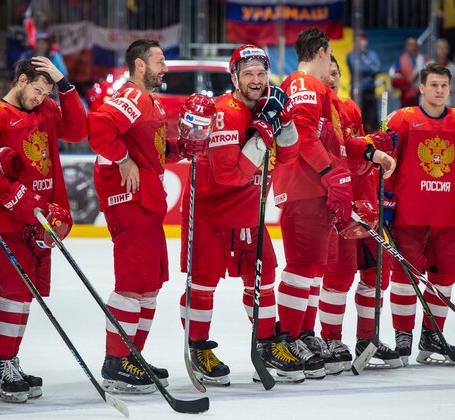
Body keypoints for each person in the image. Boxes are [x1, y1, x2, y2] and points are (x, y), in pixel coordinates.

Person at [0, 56, 87, 403]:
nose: (40, 97)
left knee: (25, 294)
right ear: (20, 79)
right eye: (37, 88)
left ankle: (10, 360)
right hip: (8, 219)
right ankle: (0, 368)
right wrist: (11, 193)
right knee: (12, 293)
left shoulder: (47, 108)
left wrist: (65, 86)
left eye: (47, 90)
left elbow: (78, 131)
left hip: (42, 219)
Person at [179, 44, 304, 386]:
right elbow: (228, 176)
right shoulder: (226, 113)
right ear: (234, 77)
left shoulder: (267, 106)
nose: (256, 79)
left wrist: (285, 118)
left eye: (261, 73)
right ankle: (198, 347)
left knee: (263, 279)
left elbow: (290, 157)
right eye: (247, 73)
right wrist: (264, 132)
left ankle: (266, 345)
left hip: (250, 211)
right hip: (210, 212)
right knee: (203, 284)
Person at [276, 28, 394, 379]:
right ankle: (289, 341)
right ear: (324, 51)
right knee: (302, 268)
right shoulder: (304, 84)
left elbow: (339, 142)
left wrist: (371, 151)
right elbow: (303, 135)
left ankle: (304, 336)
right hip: (305, 188)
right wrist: (332, 173)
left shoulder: (318, 92)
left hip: (315, 190)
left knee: (311, 270)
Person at [88, 39, 204, 394]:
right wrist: (123, 161)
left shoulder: (148, 101)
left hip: (147, 201)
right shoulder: (131, 97)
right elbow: (97, 128)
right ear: (139, 65)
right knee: (132, 282)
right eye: (159, 60)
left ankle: (131, 355)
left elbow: (150, 151)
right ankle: (115, 361)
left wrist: (180, 148)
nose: (164, 67)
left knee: (150, 283)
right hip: (130, 201)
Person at [386, 62, 455, 366]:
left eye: (444, 85)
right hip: (408, 216)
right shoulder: (402, 120)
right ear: (421, 88)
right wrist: (381, 199)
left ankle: (432, 334)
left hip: (448, 218)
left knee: (445, 278)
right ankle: (403, 334)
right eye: (433, 85)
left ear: (450, 88)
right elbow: (385, 163)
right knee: (404, 278)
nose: (439, 90)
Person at [317, 55, 400, 372]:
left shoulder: (349, 108)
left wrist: (375, 147)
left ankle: (368, 340)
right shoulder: (315, 114)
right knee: (338, 276)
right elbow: (337, 161)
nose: (333, 78)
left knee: (376, 275)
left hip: (366, 202)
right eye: (327, 73)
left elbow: (360, 153)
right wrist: (368, 152)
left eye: (336, 73)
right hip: (336, 205)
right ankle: (330, 339)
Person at [347, 31, 382, 133]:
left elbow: (378, 68)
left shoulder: (372, 54)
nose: (360, 42)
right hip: (357, 92)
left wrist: (364, 66)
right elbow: (356, 68)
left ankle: (375, 141)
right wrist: (370, 67)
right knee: (360, 120)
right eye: (358, 40)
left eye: (362, 40)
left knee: (373, 119)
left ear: (366, 41)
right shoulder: (351, 55)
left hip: (370, 91)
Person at [390, 37, 428, 107]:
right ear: (406, 47)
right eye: (410, 45)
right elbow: (395, 82)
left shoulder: (426, 61)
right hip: (407, 101)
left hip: (424, 101)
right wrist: (408, 81)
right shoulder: (399, 63)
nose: (413, 47)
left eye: (415, 45)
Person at [430, 39, 455, 109]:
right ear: (435, 50)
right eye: (440, 48)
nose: (442, 51)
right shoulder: (428, 67)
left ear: (448, 50)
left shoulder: (453, 68)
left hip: (450, 107)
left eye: (445, 48)